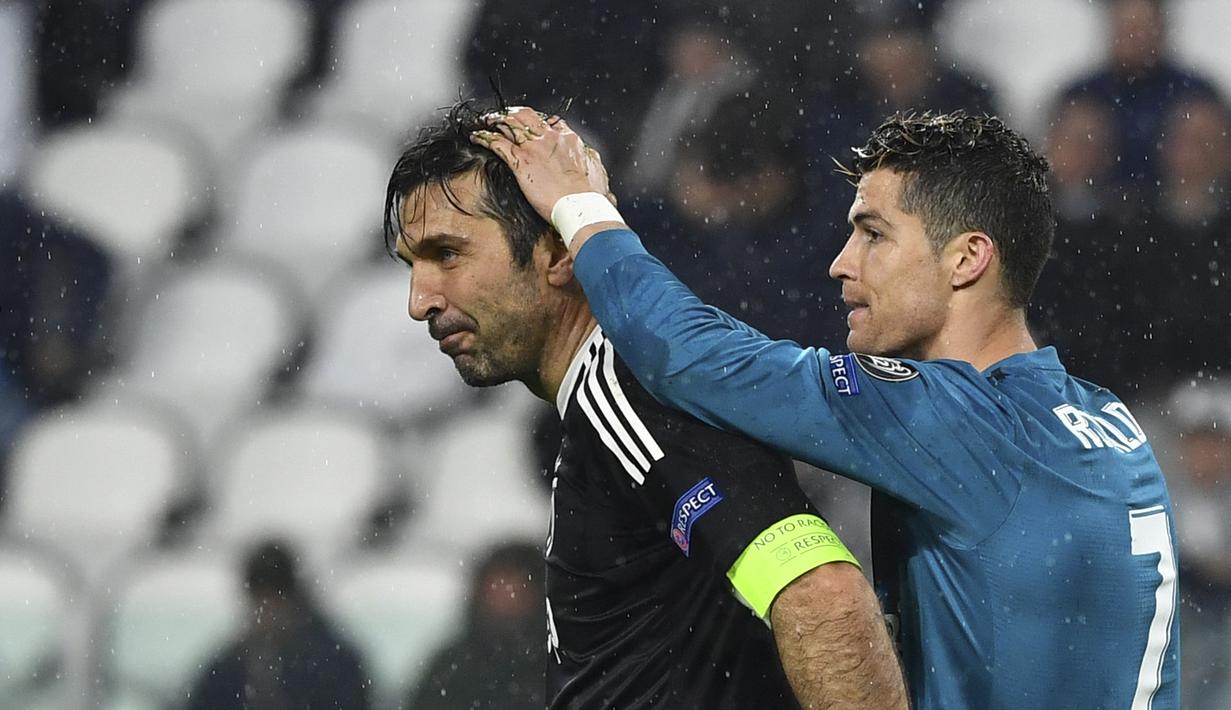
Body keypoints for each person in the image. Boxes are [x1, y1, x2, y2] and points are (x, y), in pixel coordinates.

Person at [475, 106, 1180, 709]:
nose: (842, 263)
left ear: (967, 260)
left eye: (873, 234)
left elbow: (687, 356)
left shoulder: (954, 422)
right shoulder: (1110, 425)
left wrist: (581, 207)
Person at [384, 102, 907, 710]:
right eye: (411, 265)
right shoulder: (601, 405)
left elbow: (823, 593)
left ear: (557, 252)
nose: (419, 300)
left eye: (447, 254)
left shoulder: (634, 392)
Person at [185, 539, 371, 710]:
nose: (266, 612)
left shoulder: (332, 663)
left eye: (274, 599)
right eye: (259, 601)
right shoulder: (230, 666)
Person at [406, 541, 545, 710]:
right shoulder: (451, 667)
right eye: (495, 589)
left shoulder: (559, 667)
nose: (502, 599)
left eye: (514, 590)